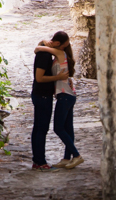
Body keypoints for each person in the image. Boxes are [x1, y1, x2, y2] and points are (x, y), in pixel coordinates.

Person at [34, 31, 84, 170]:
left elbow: (38, 49)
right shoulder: (61, 54)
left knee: (58, 128)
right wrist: (45, 40)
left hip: (65, 96)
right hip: (68, 95)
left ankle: (77, 155)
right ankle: (67, 158)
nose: (62, 47)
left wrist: (44, 43)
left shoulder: (61, 54)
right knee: (68, 128)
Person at [30, 39, 68, 170]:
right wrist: (58, 77)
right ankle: (40, 162)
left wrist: (41, 44)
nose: (63, 50)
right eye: (64, 46)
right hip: (42, 96)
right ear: (57, 43)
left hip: (41, 95)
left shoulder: (44, 51)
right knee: (41, 129)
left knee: (38, 129)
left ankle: (37, 160)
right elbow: (39, 78)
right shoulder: (45, 56)